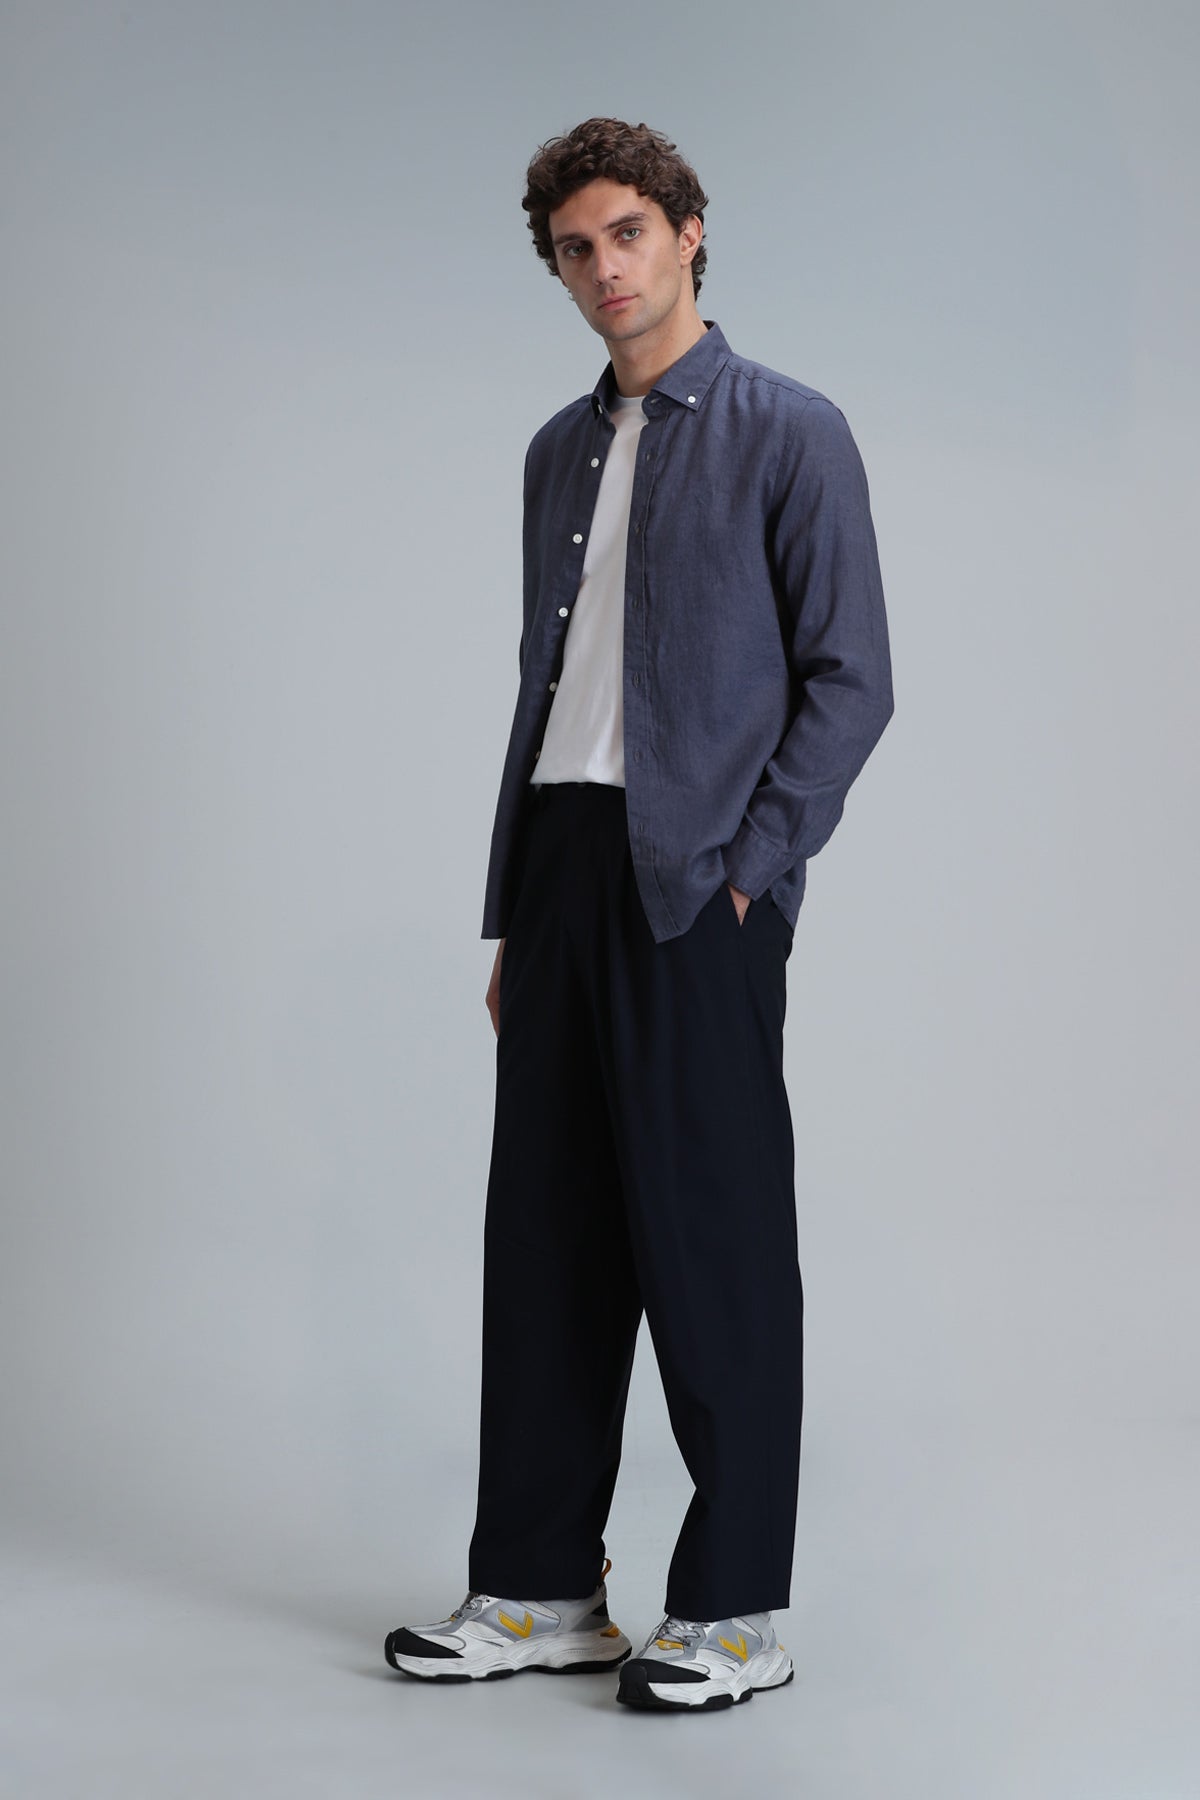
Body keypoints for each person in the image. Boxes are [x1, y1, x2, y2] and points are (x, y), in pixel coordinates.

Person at [385, 116, 894, 1714]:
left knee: (714, 1240)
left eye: (626, 233)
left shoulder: (789, 429)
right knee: (543, 1239)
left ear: (688, 232)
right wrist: (515, 915)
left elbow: (852, 680)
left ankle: (736, 1609)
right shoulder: (559, 449)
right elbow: (552, 693)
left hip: (697, 882)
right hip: (560, 868)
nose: (602, 267)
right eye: (573, 248)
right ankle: (542, 1587)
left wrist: (750, 869)